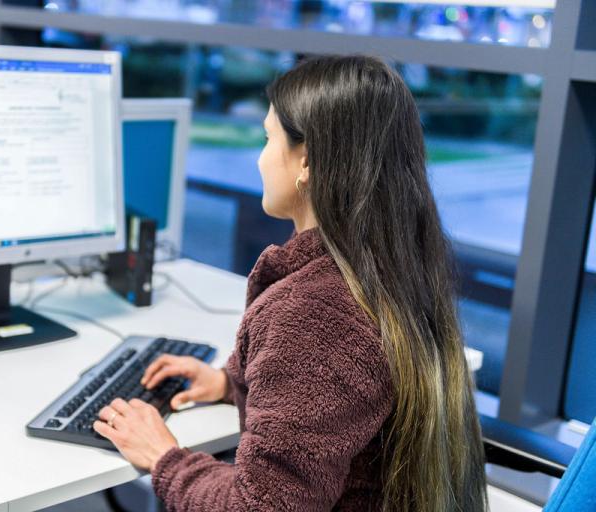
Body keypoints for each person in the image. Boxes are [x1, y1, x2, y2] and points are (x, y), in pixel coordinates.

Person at [92, 55, 487, 511]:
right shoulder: (389, 269)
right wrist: (229, 383)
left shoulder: (314, 314)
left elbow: (262, 507)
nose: (260, 158)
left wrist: (165, 458)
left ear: (307, 161)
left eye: (267, 138)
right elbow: (334, 396)